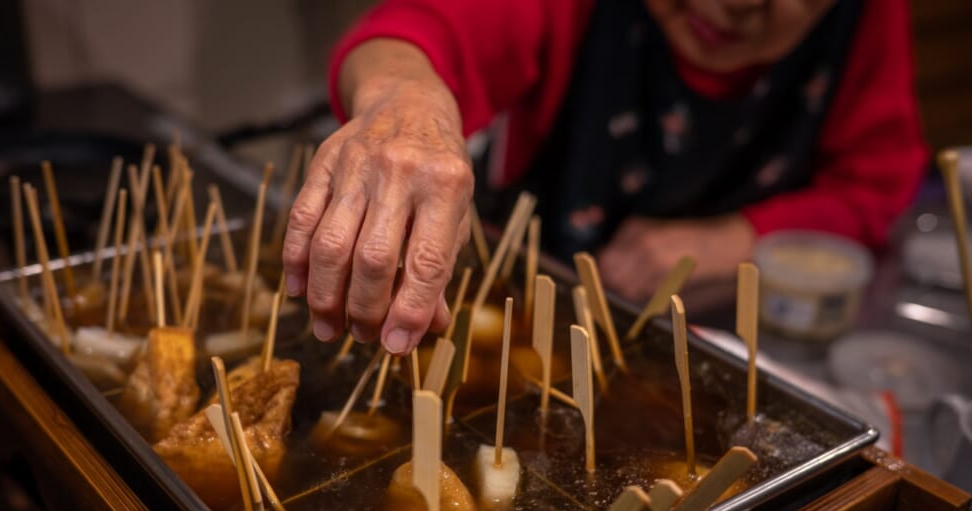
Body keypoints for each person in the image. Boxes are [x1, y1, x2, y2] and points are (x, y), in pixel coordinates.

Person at [282, 0, 926, 355]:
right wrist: (405, 102)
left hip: (741, 332)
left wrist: (734, 242)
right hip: (532, 318)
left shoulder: (867, 17)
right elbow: (420, 27)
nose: (735, 3)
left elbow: (877, 183)